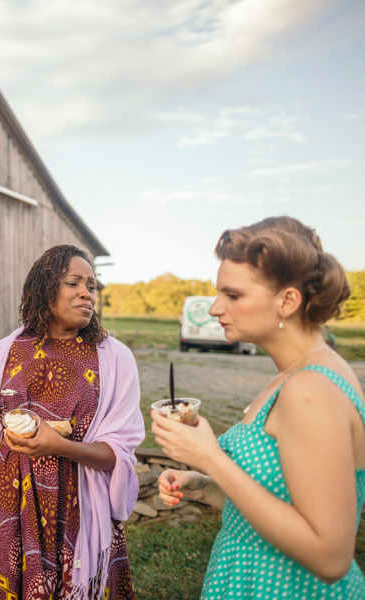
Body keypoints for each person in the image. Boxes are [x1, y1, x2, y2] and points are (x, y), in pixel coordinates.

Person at [153, 216, 365, 598]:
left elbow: (330, 557)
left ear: (288, 301)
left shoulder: (310, 390)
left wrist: (211, 458)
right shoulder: (293, 375)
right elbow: (280, 499)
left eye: (232, 295)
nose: (215, 308)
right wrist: (207, 488)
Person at [0, 245, 145, 600]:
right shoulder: (8, 348)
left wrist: (60, 446)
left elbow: (119, 453)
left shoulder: (115, 357)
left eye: (91, 286)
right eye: (73, 283)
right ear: (46, 290)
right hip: (12, 500)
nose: (86, 293)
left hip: (77, 501)